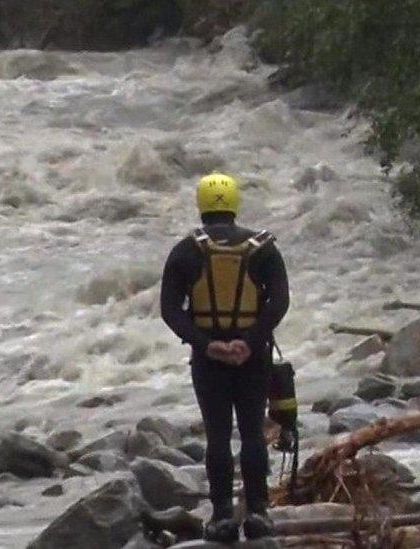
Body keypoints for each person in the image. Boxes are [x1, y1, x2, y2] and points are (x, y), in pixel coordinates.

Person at [160, 173, 290, 543]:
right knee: (252, 432)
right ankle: (259, 513)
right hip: (253, 356)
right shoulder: (262, 248)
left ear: (201, 205)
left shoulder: (186, 250)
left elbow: (170, 309)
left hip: (209, 357)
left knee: (217, 434)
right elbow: (279, 302)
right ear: (235, 203)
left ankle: (220, 517)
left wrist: (205, 344)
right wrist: (250, 341)